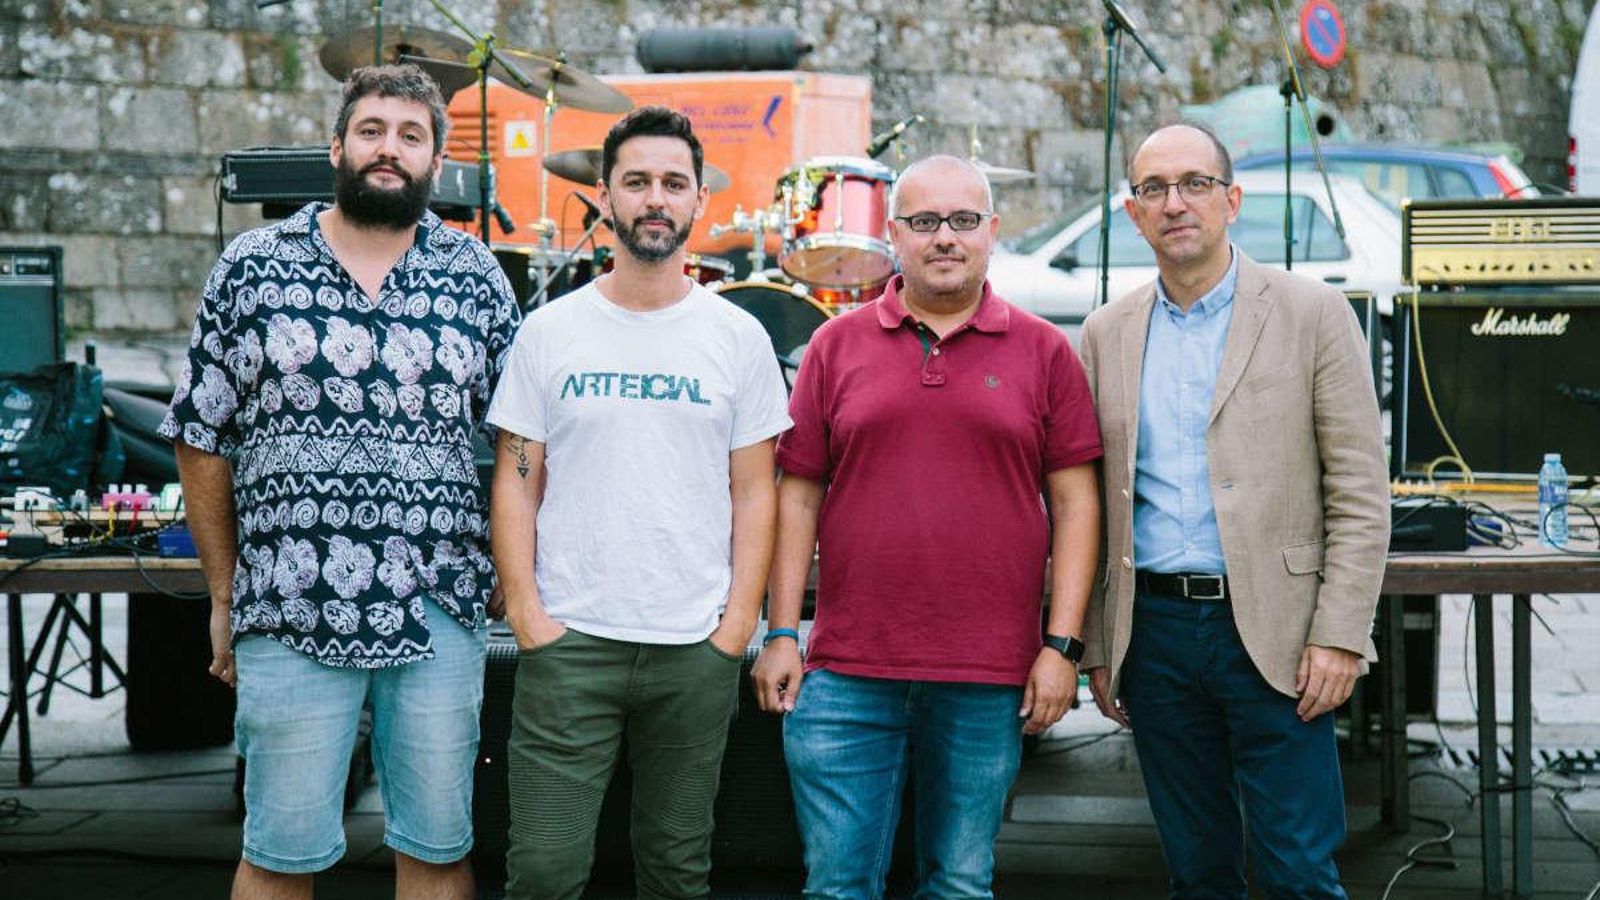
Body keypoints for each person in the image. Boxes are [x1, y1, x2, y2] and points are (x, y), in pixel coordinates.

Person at [162, 64, 521, 899]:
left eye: (410, 135)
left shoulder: (477, 278)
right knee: (280, 855)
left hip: (437, 604)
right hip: (287, 602)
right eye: (371, 130)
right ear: (336, 146)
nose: (388, 149)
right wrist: (225, 593)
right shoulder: (252, 268)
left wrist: (514, 565)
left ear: (435, 162)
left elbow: (521, 439)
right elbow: (201, 433)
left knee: (437, 851)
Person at [752, 154, 1103, 896]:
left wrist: (1061, 646)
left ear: (993, 233)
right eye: (924, 222)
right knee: (838, 886)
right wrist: (783, 631)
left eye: (964, 221)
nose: (945, 237)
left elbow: (1077, 505)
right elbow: (797, 495)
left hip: (987, 676)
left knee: (960, 883)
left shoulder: (1044, 351)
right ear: (893, 234)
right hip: (847, 672)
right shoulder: (834, 346)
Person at [1078, 122, 1390, 898]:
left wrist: (1340, 634)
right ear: (1132, 211)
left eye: (1194, 184)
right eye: (1154, 189)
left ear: (1232, 200)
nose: (1174, 203)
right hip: (1154, 637)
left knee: (1299, 873)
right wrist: (1097, 645)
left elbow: (1359, 491)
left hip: (1281, 635)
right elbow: (1089, 501)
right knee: (1197, 872)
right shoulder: (1104, 334)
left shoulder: (1312, 314)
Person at [487, 105, 791, 899]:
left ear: (699, 203)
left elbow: (758, 490)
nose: (655, 198)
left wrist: (735, 630)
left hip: (693, 646)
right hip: (570, 644)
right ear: (603, 197)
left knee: (676, 871)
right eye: (636, 182)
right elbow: (516, 479)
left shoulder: (737, 337)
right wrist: (528, 617)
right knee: (543, 874)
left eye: (672, 183)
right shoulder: (549, 332)